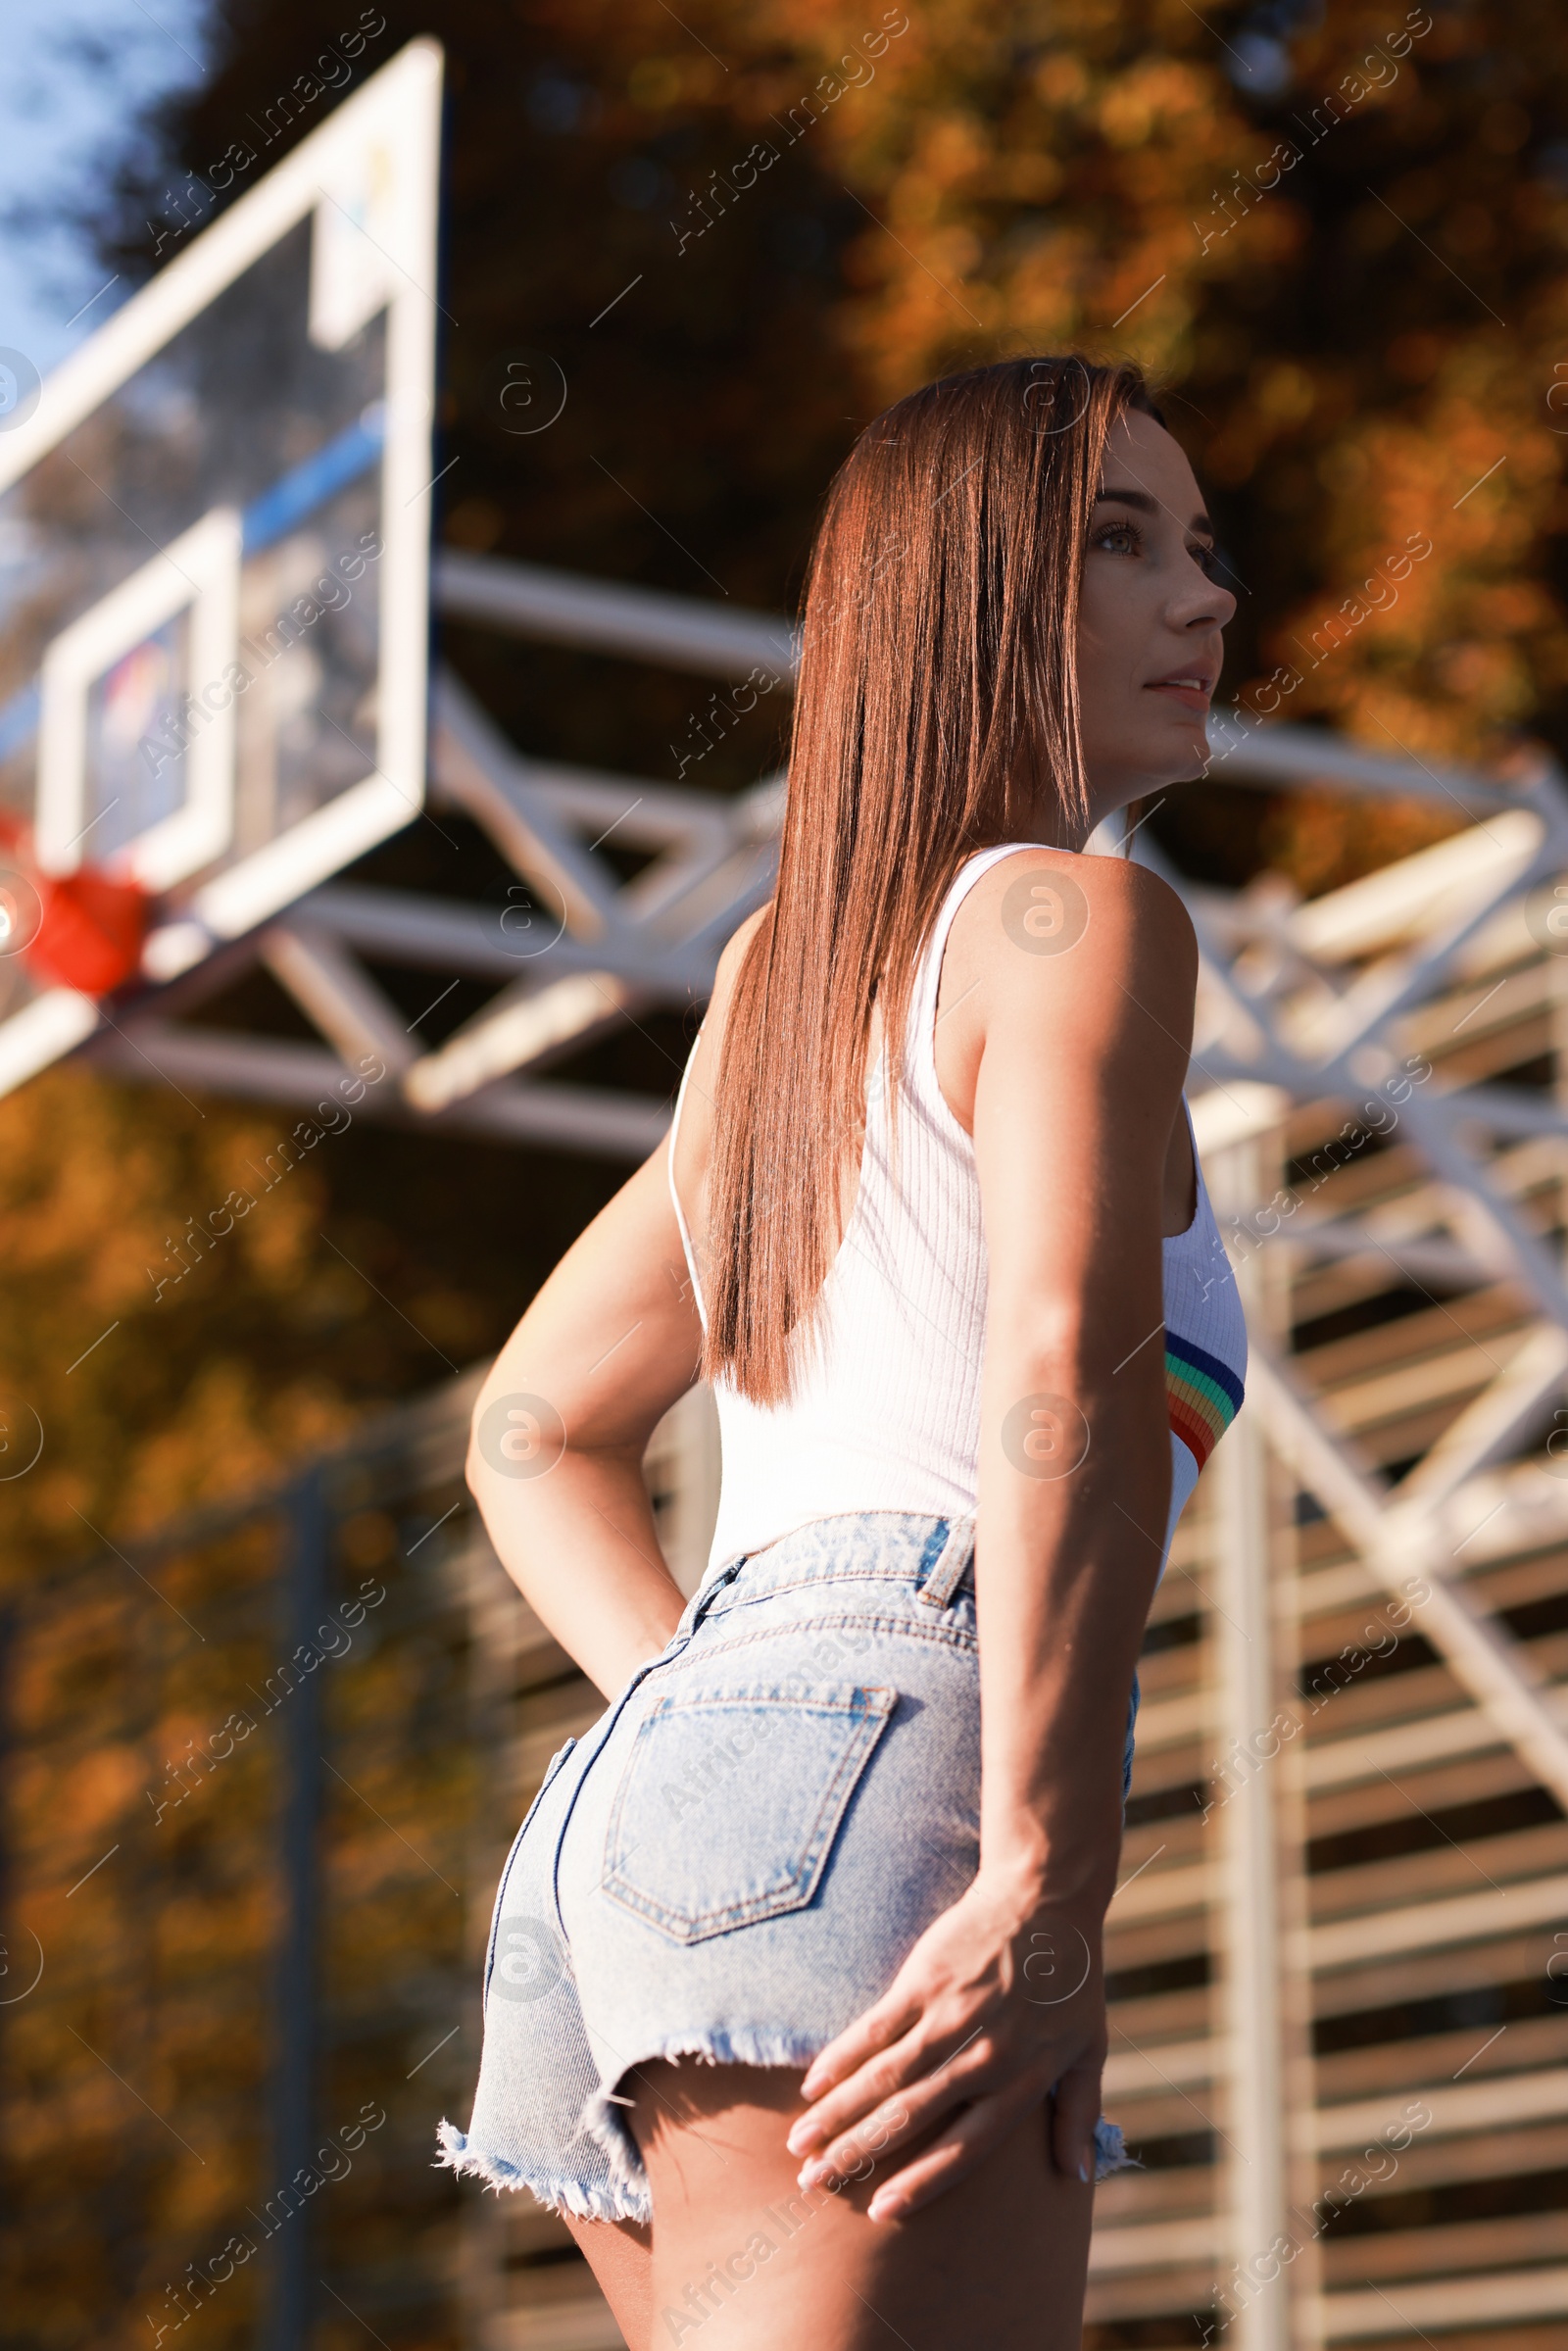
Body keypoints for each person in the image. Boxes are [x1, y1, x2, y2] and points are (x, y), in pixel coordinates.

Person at [441, 354, 1247, 2351]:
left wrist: (720, 1714)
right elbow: (1053, 1358)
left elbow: (530, 1428)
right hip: (881, 1755)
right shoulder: (1086, 923)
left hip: (629, 1831)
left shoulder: (774, 983)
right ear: (961, 595)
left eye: (1203, 549)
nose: (1204, 600)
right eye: (1118, 545)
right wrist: (1049, 1869)